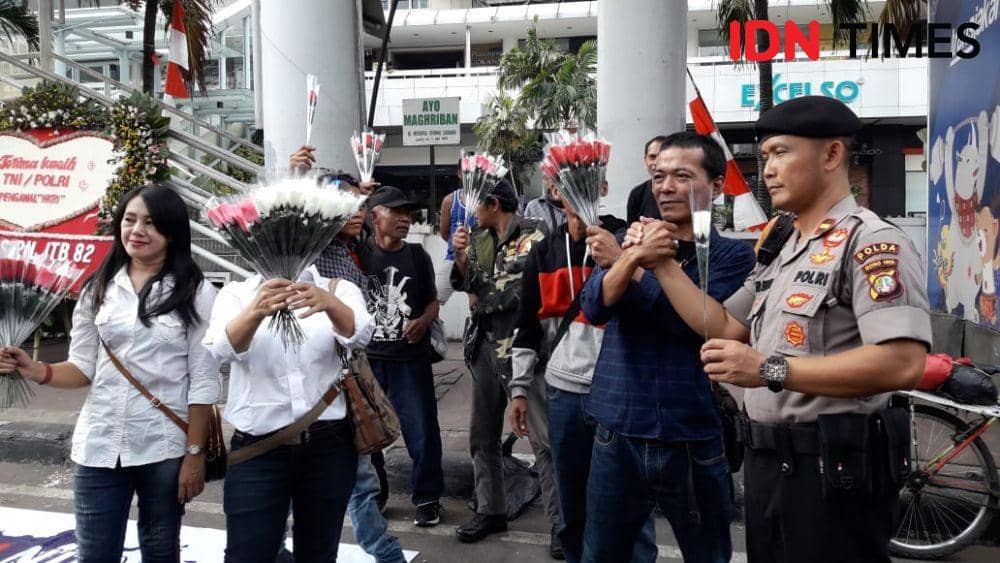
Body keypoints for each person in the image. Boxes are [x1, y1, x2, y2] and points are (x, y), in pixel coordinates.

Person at [640, 97, 930, 563]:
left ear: (831, 154)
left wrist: (770, 369)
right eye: (765, 155)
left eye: (781, 152)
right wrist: (662, 265)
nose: (768, 169)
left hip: (831, 469)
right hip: (768, 463)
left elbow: (902, 362)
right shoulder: (782, 244)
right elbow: (723, 324)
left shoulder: (871, 241)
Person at [0, 185, 220, 563]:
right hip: (99, 443)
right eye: (129, 220)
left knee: (160, 550)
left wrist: (195, 454)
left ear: (172, 231)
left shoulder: (195, 293)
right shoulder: (99, 288)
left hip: (164, 446)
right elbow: (82, 367)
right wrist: (33, 368)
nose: (137, 230)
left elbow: (203, 382)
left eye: (151, 223)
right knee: (95, 553)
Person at [579, 132, 757, 562]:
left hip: (690, 432)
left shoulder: (733, 257)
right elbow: (594, 307)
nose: (666, 187)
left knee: (707, 554)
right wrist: (629, 257)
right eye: (659, 176)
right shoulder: (629, 241)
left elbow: (697, 327)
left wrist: (646, 267)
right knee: (601, 554)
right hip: (617, 427)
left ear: (717, 185)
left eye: (682, 176)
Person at [507, 187, 658, 563]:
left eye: (587, 175)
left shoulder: (625, 237)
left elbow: (651, 304)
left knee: (632, 502)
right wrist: (519, 389)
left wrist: (621, 257)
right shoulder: (543, 251)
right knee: (572, 500)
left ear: (603, 185)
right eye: (565, 180)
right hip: (564, 390)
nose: (576, 188)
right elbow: (526, 324)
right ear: (555, 191)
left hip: (620, 389)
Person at [204, 248, 373, 561]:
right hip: (258, 449)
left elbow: (361, 336)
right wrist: (256, 310)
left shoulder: (338, 289)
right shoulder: (237, 294)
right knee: (248, 554)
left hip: (328, 445)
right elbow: (222, 350)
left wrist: (330, 304)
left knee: (319, 554)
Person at [450, 181, 558, 546]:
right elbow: (469, 284)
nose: (471, 212)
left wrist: (482, 294)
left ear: (494, 204)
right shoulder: (479, 238)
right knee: (482, 434)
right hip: (485, 344)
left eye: (476, 204)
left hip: (523, 346)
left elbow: (522, 290)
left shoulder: (535, 233)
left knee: (542, 438)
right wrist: (460, 258)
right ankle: (490, 510)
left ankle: (561, 523)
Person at [311, 175, 408, 563]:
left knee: (362, 481)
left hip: (348, 378)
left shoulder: (351, 248)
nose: (358, 213)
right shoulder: (313, 252)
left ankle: (385, 552)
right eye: (345, 205)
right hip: (319, 387)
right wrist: (298, 176)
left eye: (360, 205)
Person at [359, 186, 446, 527]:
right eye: (395, 211)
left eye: (407, 213)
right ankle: (376, 493)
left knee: (421, 429)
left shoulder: (417, 256)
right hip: (368, 360)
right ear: (374, 216)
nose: (405, 219)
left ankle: (427, 498)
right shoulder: (359, 254)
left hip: (410, 360)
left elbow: (432, 302)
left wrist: (423, 322)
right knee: (368, 431)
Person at [437, 160, 478, 306]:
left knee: (478, 306)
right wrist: (457, 244)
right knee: (432, 300)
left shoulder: (486, 201)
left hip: (480, 262)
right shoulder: (450, 200)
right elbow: (444, 232)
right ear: (460, 174)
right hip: (453, 258)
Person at [626, 135, 669, 224]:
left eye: (663, 157)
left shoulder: (683, 192)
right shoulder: (637, 194)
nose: (656, 162)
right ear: (645, 160)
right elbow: (630, 228)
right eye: (652, 157)